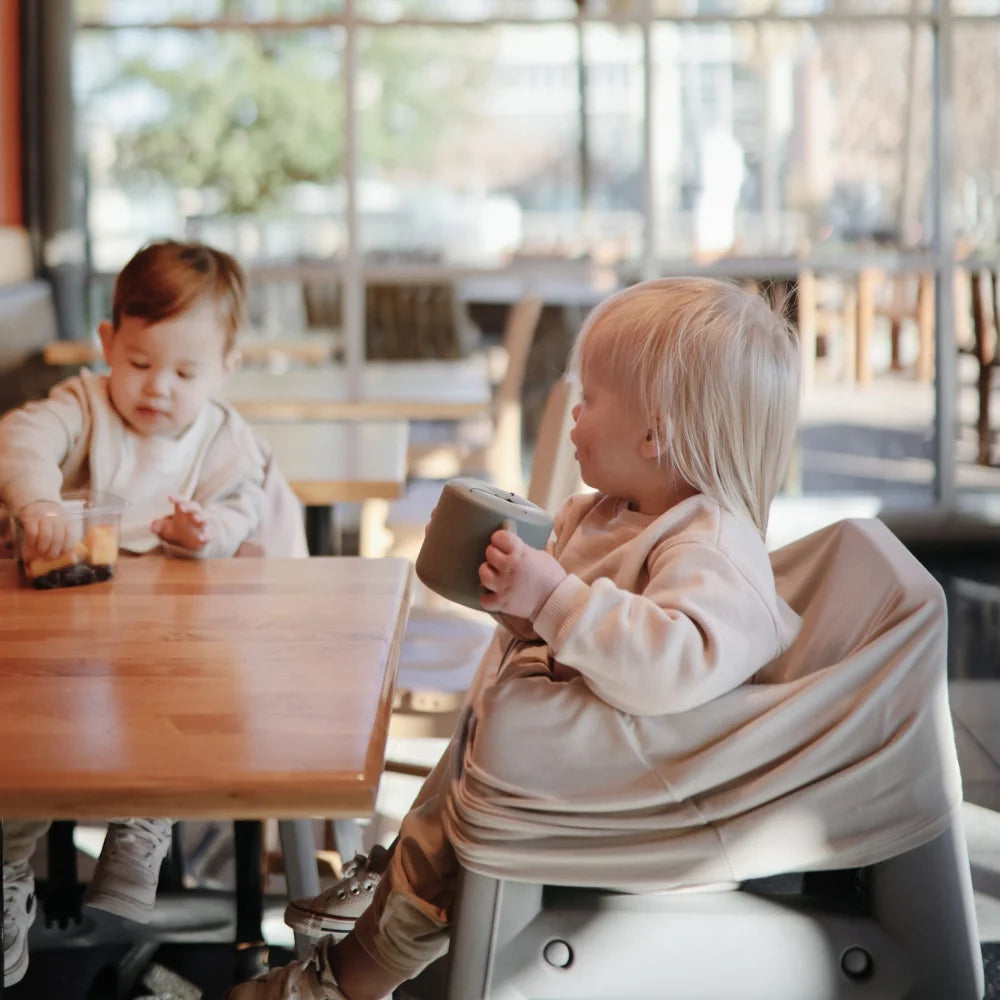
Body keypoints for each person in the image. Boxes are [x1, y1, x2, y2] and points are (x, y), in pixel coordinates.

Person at [226, 275, 803, 1000]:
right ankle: (378, 917)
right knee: (435, 823)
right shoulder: (613, 513)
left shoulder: (712, 543)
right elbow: (584, 642)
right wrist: (520, 605)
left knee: (430, 867)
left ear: (654, 433)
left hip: (619, 796)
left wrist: (554, 598)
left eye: (589, 401)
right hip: (538, 771)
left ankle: (342, 983)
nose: (573, 418)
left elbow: (671, 665)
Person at [0, 238, 288, 988]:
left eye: (186, 373)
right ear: (108, 344)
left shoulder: (226, 439)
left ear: (226, 368)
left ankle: (145, 819)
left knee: (176, 701)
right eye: (138, 363)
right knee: (27, 745)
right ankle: (9, 873)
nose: (158, 387)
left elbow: (241, 508)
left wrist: (207, 534)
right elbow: (20, 437)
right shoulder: (84, 405)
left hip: (170, 631)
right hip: (70, 626)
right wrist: (37, 502)